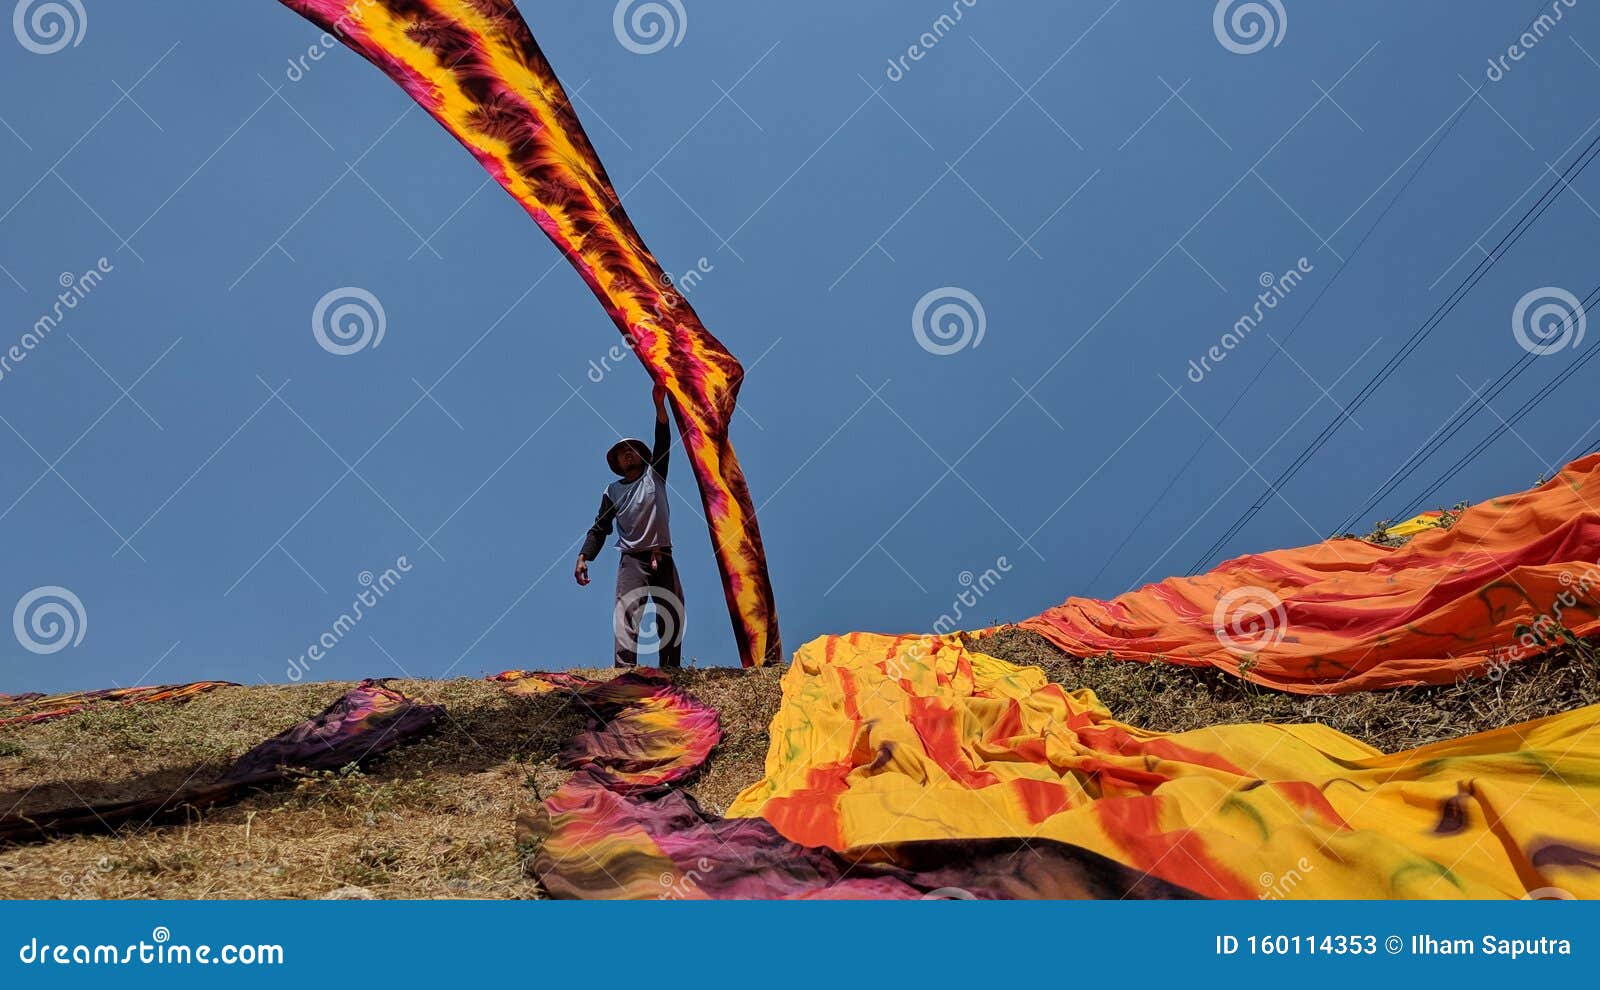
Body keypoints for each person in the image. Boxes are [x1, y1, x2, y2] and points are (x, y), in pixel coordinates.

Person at [574, 384, 685, 668]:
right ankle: (625, 672)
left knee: (671, 611)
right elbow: (600, 527)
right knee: (628, 613)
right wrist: (584, 556)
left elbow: (663, 440)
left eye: (631, 449)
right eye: (622, 452)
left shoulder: (655, 475)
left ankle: (671, 669)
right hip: (632, 559)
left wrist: (659, 405)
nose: (627, 454)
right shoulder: (612, 491)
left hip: (663, 553)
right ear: (618, 463)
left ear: (641, 455)